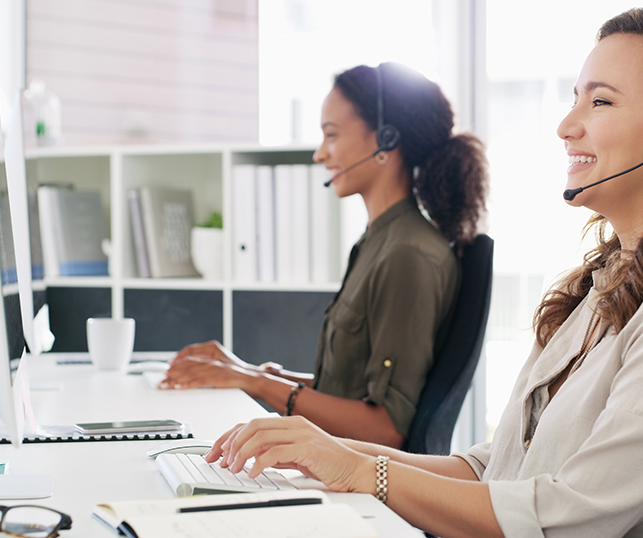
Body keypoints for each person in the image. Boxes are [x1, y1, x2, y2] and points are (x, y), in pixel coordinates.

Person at [202, 8, 643, 538]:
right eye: (576, 98)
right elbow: (494, 469)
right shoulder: (614, 282)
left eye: (599, 102)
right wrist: (325, 454)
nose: (566, 126)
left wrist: (362, 470)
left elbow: (567, 519)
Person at [161, 62, 489, 449]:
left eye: (331, 135)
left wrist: (256, 382)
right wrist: (241, 370)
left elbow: (385, 429)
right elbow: (347, 391)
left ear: (385, 141)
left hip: (362, 490)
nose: (320, 154)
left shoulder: (408, 255)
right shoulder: (379, 241)